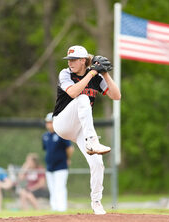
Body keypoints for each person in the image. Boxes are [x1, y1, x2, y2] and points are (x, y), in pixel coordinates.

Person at [52, 45, 121, 214]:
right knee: (83, 98)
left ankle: (96, 202)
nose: (70, 63)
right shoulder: (66, 73)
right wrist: (92, 72)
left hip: (80, 128)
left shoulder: (96, 77)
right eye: (69, 60)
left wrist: (104, 73)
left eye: (74, 60)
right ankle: (92, 142)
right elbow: (74, 93)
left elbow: (116, 96)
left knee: (97, 162)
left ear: (83, 60)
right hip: (62, 123)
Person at [42, 112, 74, 212]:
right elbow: (47, 150)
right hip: (49, 166)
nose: (49, 124)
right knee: (52, 188)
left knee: (60, 187)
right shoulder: (45, 136)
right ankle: (54, 208)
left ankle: (61, 208)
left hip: (61, 166)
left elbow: (70, 148)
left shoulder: (62, 134)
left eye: (51, 122)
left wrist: (67, 159)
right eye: (48, 122)